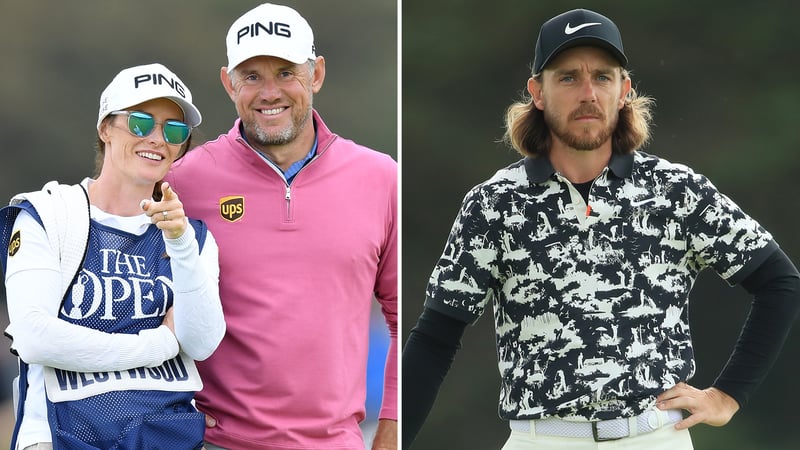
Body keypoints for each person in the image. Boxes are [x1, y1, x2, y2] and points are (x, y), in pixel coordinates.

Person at [402, 8, 800, 450]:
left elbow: (779, 282)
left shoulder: (676, 192)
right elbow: (436, 337)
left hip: (655, 437)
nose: (588, 93)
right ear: (538, 91)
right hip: (542, 440)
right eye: (568, 77)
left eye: (603, 77)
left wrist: (728, 395)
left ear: (625, 90)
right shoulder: (494, 203)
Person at [164, 3, 398, 450]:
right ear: (228, 83)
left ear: (317, 74)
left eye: (286, 73)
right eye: (251, 76)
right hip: (216, 443)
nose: (269, 92)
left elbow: (402, 313)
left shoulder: (381, 177)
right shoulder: (185, 181)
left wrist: (392, 426)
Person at [0, 62, 226, 450]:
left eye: (174, 130)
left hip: (164, 439)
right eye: (140, 123)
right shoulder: (46, 214)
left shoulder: (192, 237)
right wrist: (157, 345)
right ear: (105, 128)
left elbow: (202, 342)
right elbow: (35, 337)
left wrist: (180, 241)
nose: (157, 139)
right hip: (59, 438)